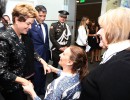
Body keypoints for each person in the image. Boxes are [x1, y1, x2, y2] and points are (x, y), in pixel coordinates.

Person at [79, 7, 130, 100]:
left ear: (115, 31)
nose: (98, 32)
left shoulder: (120, 66)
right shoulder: (121, 58)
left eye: (102, 28)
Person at [0, 3, 38, 100]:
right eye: (28, 23)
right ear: (17, 20)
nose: (30, 27)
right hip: (12, 88)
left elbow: (29, 53)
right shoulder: (4, 39)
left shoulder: (23, 35)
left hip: (22, 84)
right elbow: (1, 71)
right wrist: (23, 81)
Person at [23, 45, 89, 100]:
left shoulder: (57, 86)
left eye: (63, 54)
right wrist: (54, 70)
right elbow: (68, 77)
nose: (60, 55)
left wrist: (31, 92)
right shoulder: (79, 73)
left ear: (70, 62)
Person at [28, 5, 51, 96]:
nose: (43, 18)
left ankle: (42, 90)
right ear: (35, 14)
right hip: (35, 57)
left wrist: (48, 53)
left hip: (45, 55)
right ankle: (35, 94)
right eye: (40, 16)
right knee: (36, 77)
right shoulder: (30, 26)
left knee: (44, 75)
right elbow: (28, 44)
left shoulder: (45, 25)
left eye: (44, 16)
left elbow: (46, 41)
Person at [49, 10, 71, 79]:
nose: (63, 18)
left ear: (66, 18)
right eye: (61, 17)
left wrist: (67, 46)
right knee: (55, 63)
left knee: (64, 64)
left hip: (65, 48)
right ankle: (54, 77)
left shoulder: (67, 26)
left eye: (64, 17)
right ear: (59, 17)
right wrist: (59, 47)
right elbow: (52, 38)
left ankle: (62, 76)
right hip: (56, 48)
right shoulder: (54, 25)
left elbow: (69, 37)